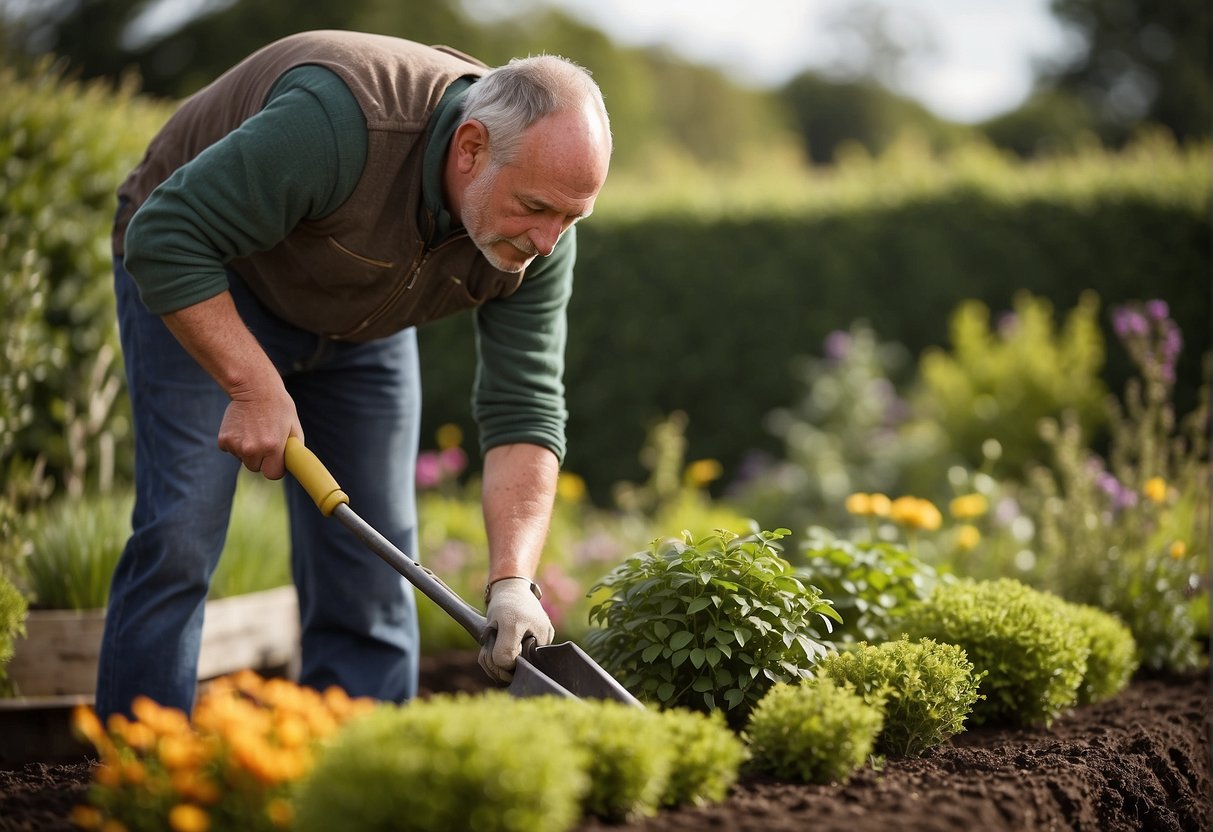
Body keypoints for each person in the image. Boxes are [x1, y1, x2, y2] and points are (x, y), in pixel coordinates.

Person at [96, 29, 612, 719]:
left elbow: (524, 409)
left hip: (360, 323)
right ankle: (141, 764)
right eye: (537, 209)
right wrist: (252, 384)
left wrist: (514, 580)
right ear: (470, 148)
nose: (548, 240)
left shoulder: (541, 239)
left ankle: (349, 764)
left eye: (571, 218)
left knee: (373, 559)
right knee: (180, 535)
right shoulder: (340, 122)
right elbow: (165, 235)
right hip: (211, 274)